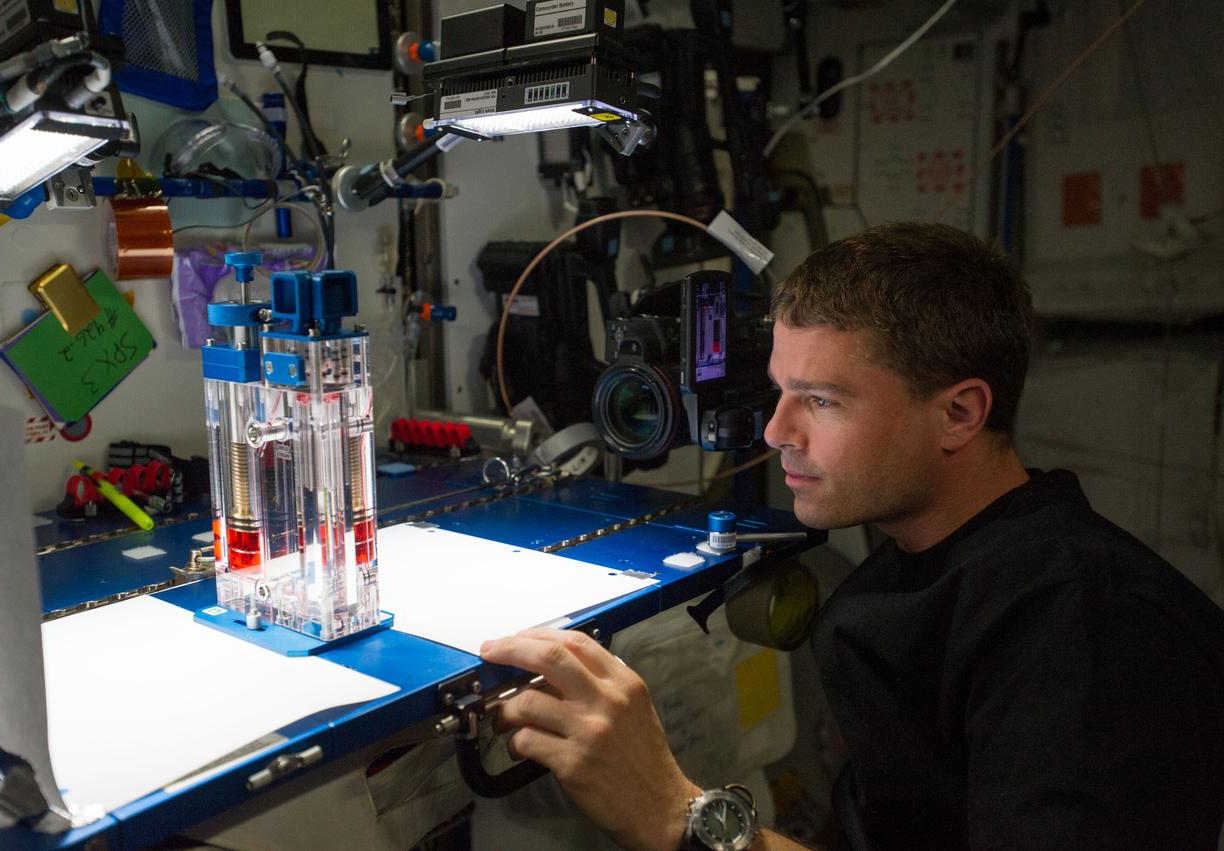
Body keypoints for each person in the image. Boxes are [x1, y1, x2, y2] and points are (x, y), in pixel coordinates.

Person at [480, 222, 1224, 850]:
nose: (777, 431)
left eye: (822, 401)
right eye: (781, 391)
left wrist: (677, 815)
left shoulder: (1090, 632)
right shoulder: (934, 569)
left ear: (959, 414)